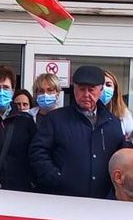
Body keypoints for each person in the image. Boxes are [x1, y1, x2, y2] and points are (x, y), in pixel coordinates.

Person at [30, 65, 125, 200]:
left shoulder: (113, 123)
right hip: (63, 198)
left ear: (100, 90)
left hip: (103, 200)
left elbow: (120, 158)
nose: (86, 95)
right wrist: (55, 178)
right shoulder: (56, 119)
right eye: (81, 89)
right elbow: (38, 152)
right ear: (74, 89)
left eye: (91, 90)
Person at [103, 70, 133, 136]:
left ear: (115, 89)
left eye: (108, 85)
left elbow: (129, 136)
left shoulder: (124, 113)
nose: (104, 88)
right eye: (101, 85)